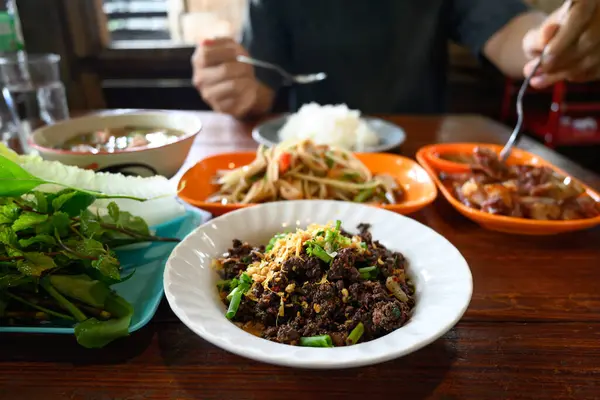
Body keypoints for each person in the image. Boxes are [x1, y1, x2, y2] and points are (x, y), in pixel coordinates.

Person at [192, 0, 600, 119]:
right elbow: (257, 92)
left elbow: (509, 31)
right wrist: (233, 85)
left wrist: (547, 38)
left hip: (416, 166)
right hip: (310, 163)